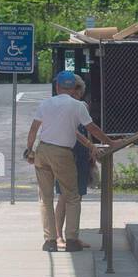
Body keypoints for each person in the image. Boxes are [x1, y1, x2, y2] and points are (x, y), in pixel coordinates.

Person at [24, 71, 111, 252]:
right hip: (62, 153)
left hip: (43, 150)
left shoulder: (46, 104)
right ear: (73, 89)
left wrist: (29, 150)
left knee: (45, 198)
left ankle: (50, 241)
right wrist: (110, 141)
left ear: (57, 87)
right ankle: (71, 239)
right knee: (71, 196)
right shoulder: (77, 106)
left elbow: (34, 129)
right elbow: (91, 128)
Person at [55, 77, 95, 231]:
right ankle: (59, 233)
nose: (75, 91)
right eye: (73, 87)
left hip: (80, 152)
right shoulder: (61, 106)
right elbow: (75, 131)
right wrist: (90, 145)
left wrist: (90, 149)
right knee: (64, 196)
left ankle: (72, 233)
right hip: (68, 151)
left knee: (77, 196)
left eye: (78, 88)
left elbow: (88, 127)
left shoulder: (81, 106)